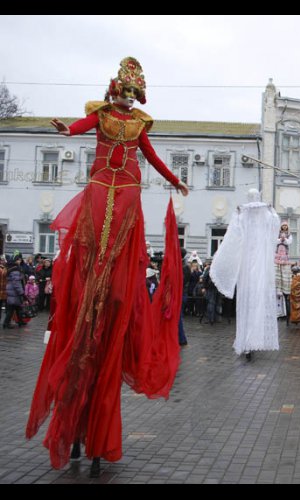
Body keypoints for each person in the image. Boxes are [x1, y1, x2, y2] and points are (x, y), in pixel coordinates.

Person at [26, 57, 188, 477]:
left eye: (133, 94)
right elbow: (80, 129)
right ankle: (92, 271)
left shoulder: (140, 126)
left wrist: (174, 181)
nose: (127, 100)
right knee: (92, 241)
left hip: (128, 194)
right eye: (123, 92)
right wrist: (67, 129)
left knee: (119, 265)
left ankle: (111, 273)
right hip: (102, 189)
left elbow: (151, 157)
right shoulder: (99, 117)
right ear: (114, 90)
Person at [210, 189, 280, 361]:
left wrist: (238, 214)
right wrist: (271, 211)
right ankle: (249, 340)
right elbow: (275, 224)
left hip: (249, 264)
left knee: (248, 302)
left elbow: (233, 238)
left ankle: (248, 340)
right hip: (256, 264)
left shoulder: (243, 216)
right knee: (253, 302)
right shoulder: (262, 215)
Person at [3, 255, 26, 329]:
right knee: (11, 309)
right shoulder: (15, 270)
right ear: (15, 261)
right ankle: (6, 323)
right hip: (14, 291)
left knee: (18, 307)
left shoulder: (13, 268)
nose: (20, 261)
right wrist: (21, 292)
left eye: (20, 260)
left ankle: (20, 321)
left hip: (12, 290)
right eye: (18, 260)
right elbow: (16, 282)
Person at [178, 248, 190, 346]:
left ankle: (182, 339)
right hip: (182, 293)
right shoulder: (184, 266)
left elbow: (182, 281)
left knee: (178, 317)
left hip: (181, 294)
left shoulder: (184, 267)